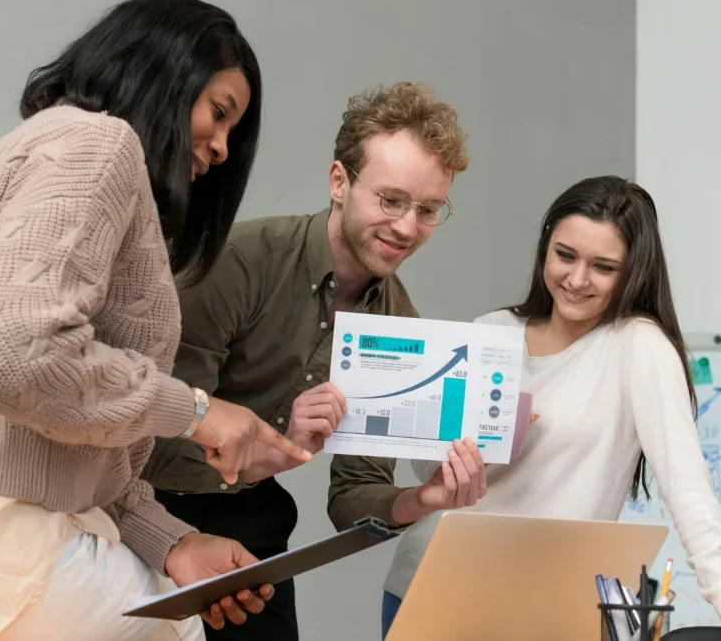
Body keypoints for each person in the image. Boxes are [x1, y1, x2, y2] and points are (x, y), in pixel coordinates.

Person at [0, 0, 314, 640]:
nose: (223, 147)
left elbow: (61, 432)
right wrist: (199, 411)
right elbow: (13, 355)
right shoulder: (101, 144)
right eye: (218, 112)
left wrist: (175, 542)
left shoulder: (32, 147)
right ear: (164, 73)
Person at [373, 176, 721, 641]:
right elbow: (428, 472)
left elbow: (687, 485)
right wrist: (478, 441)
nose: (577, 280)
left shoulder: (638, 346)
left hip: (546, 605)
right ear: (545, 248)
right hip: (429, 585)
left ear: (632, 271)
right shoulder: (493, 330)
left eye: (603, 266)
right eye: (565, 255)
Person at [142, 81, 488, 640]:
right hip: (143, 510)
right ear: (338, 182)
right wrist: (274, 445)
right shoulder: (238, 264)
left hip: (250, 521)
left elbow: (353, 500)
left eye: (428, 210)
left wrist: (425, 498)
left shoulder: (401, 327)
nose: (407, 227)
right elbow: (150, 437)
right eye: (391, 199)